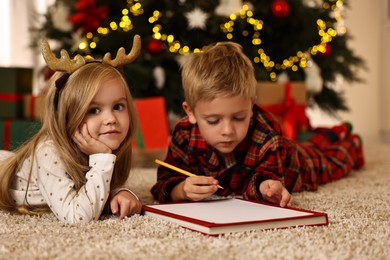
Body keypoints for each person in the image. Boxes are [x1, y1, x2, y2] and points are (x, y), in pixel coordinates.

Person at [151, 41, 365, 207]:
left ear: (251, 106)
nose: (227, 131)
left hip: (296, 162)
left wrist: (266, 187)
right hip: (287, 151)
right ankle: (332, 133)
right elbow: (164, 182)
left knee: (327, 160)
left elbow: (266, 179)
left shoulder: (266, 133)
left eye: (238, 118)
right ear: (191, 113)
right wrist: (180, 189)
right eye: (213, 121)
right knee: (316, 144)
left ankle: (350, 142)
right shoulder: (183, 134)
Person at [0, 36, 143, 224]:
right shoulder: (49, 153)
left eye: (118, 107)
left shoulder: (100, 144)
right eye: (94, 110)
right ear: (67, 116)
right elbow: (77, 216)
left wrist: (121, 192)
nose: (111, 119)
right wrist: (102, 160)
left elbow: (91, 186)